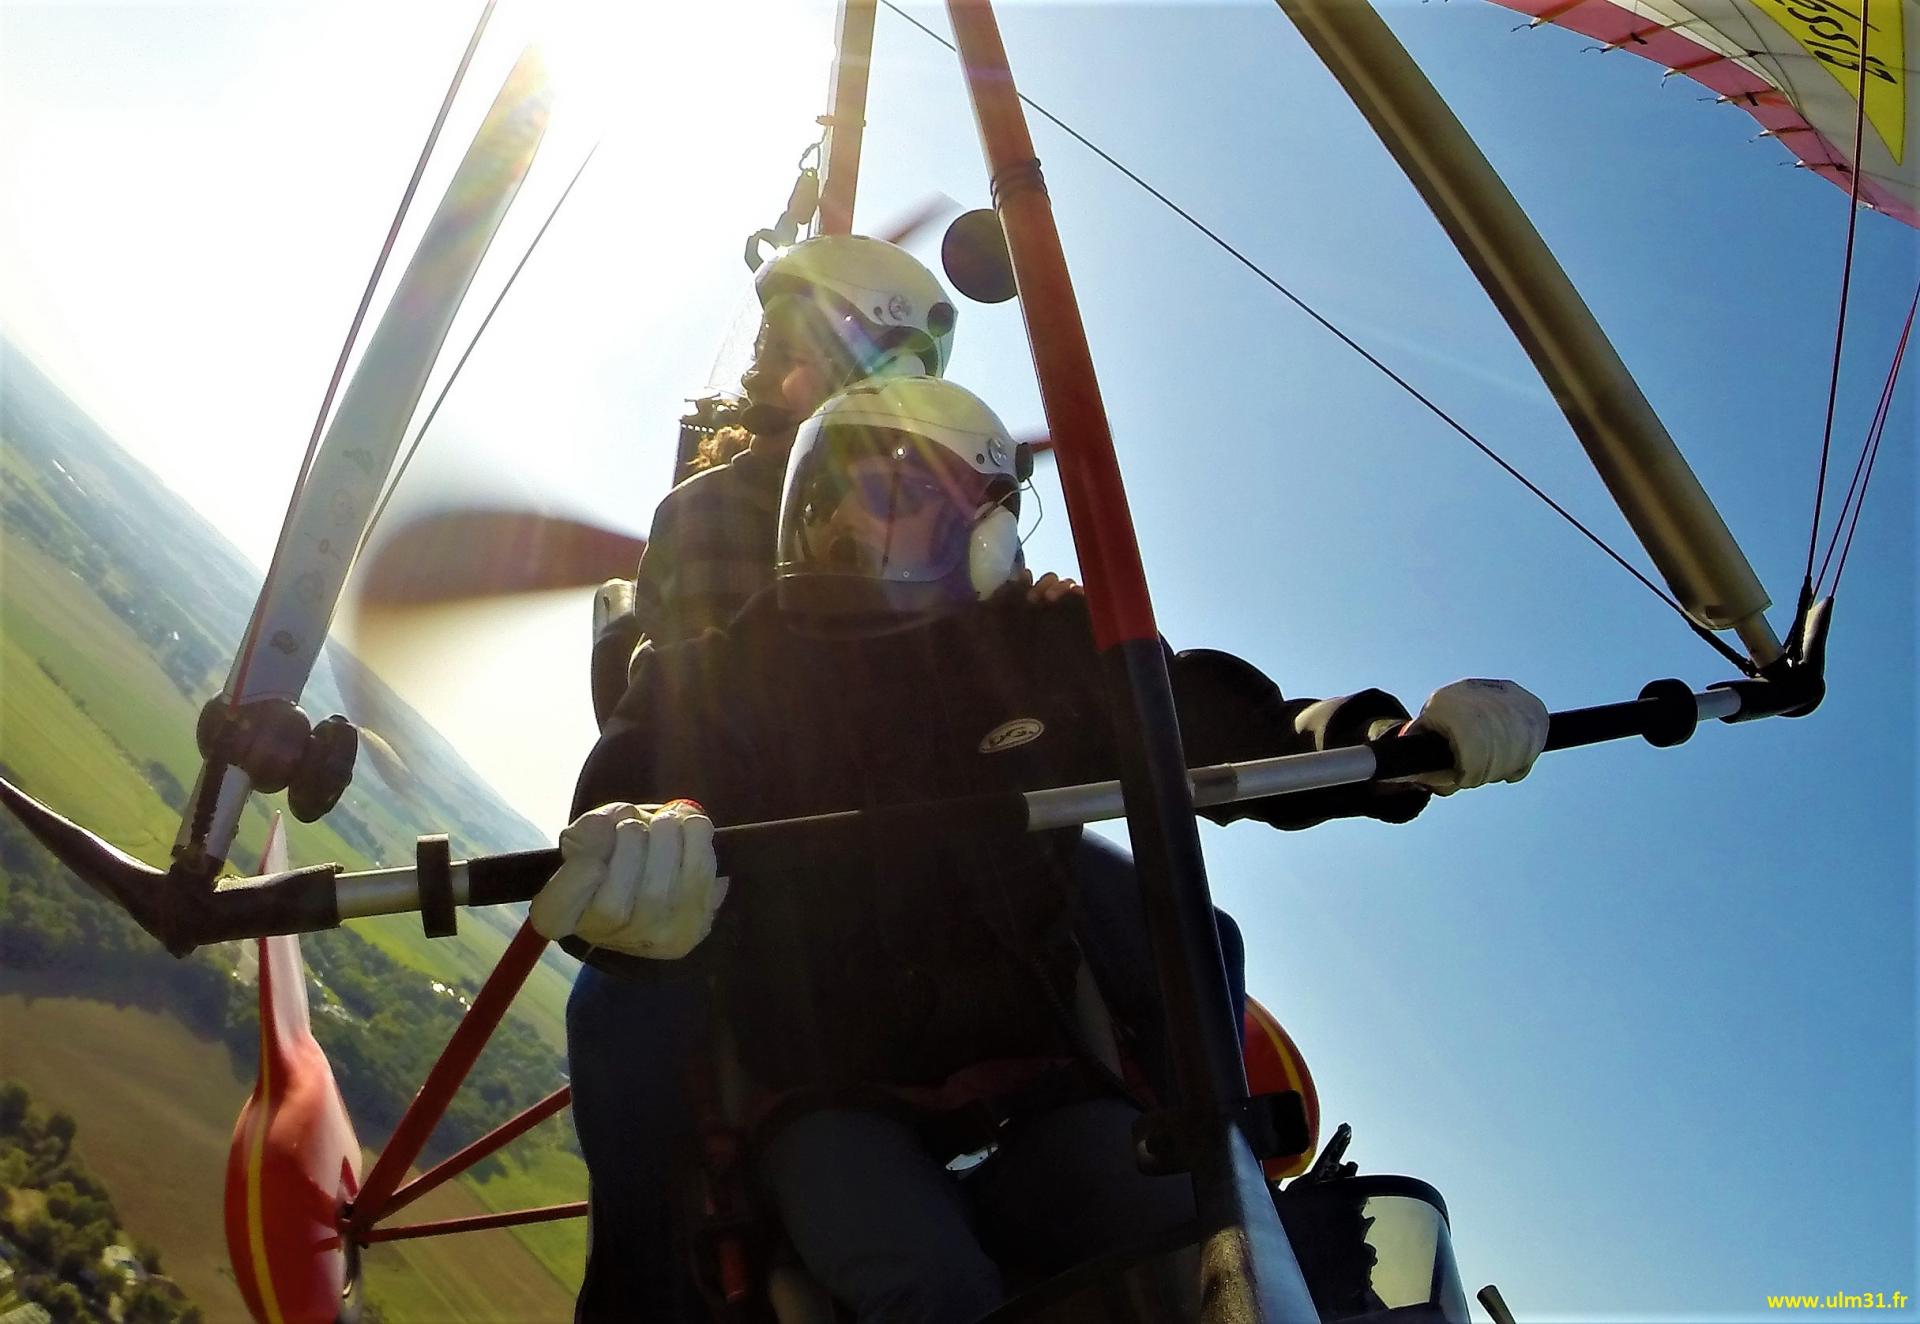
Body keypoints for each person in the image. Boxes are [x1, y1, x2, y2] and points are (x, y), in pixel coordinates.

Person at [536, 376, 1550, 1323]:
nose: (884, 523)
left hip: (1033, 1080)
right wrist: (635, 851)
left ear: (986, 530)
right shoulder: (729, 665)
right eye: (868, 492)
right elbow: (644, 760)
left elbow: (1201, 717)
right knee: (928, 1284)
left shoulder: (1028, 649)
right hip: (826, 1090)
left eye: (930, 499)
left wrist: (1384, 743)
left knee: (1192, 1233)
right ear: (810, 507)